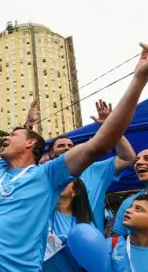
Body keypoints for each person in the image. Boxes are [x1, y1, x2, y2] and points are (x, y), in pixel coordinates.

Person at [0, 30, 148, 272]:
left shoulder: (47, 175)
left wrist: (139, 78)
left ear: (31, 147)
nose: (6, 137)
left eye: (13, 134)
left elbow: (100, 143)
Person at [46, 99, 137, 232]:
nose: (67, 148)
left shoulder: (95, 169)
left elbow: (128, 158)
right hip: (50, 244)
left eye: (70, 145)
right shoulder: (45, 174)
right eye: (61, 146)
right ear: (51, 153)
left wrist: (110, 126)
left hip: (91, 243)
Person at [41, 179, 99, 272]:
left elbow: (95, 267)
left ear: (76, 192)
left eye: (66, 181)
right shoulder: (42, 213)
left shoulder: (85, 227)